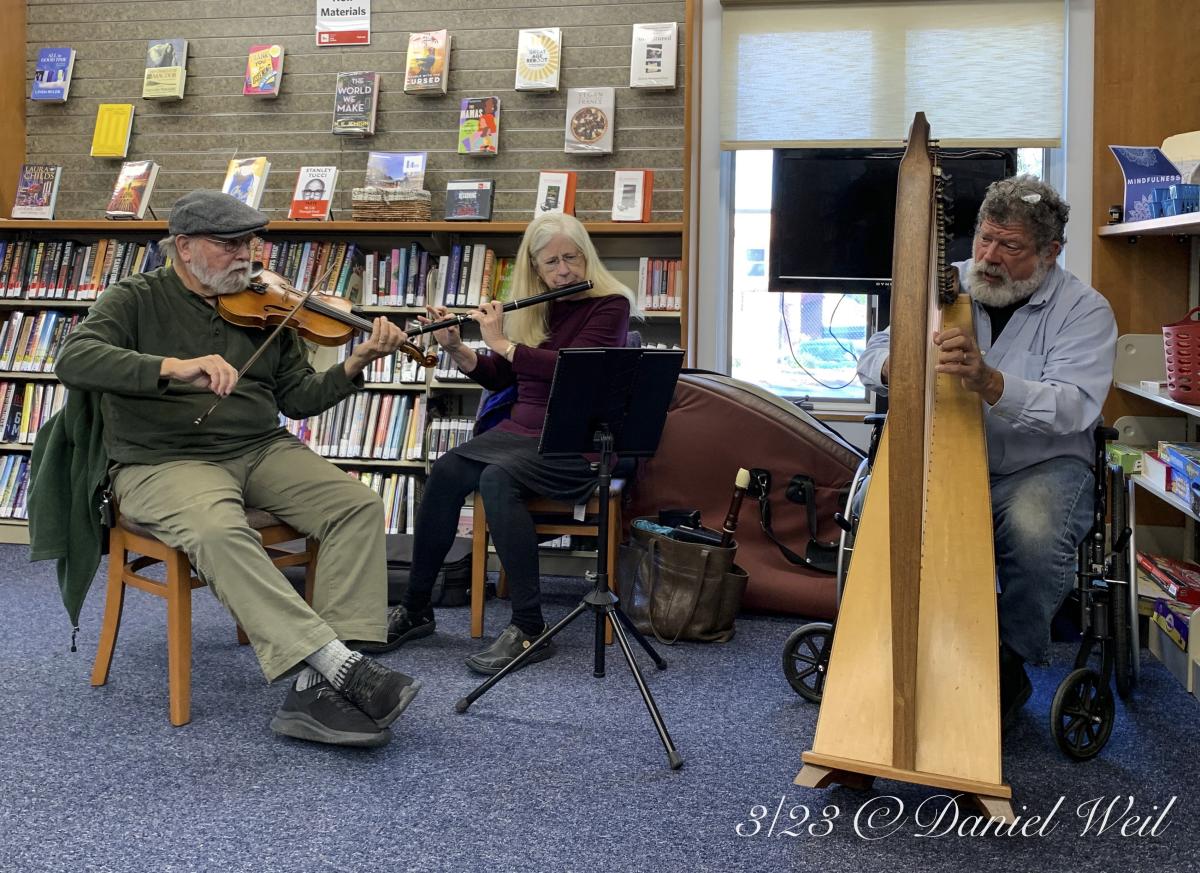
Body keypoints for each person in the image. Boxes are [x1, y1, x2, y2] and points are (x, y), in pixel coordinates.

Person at [53, 190, 420, 749]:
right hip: (163, 459)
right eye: (230, 244)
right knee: (219, 529)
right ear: (184, 247)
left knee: (357, 505)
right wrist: (174, 367)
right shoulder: (135, 298)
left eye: (251, 241)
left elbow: (298, 398)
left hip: (260, 447)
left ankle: (316, 685)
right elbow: (73, 359)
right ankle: (339, 667)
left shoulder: (268, 304)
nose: (247, 254)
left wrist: (356, 362)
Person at [856, 174, 1118, 729]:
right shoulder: (946, 285)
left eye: (1010, 246)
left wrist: (992, 383)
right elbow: (874, 350)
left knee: (1031, 527)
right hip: (949, 457)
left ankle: (1008, 661)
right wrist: (895, 365)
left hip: (1041, 465)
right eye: (983, 238)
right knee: (889, 521)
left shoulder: (1085, 311)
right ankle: (901, 655)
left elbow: (1076, 407)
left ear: (1050, 252)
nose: (988, 256)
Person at [359, 212, 638, 674]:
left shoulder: (610, 305)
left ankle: (529, 627)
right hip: (518, 432)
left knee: (496, 478)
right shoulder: (536, 306)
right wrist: (456, 347)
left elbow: (571, 370)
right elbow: (505, 376)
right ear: (535, 267)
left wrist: (503, 342)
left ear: (587, 256)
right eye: (552, 263)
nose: (564, 271)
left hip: (576, 440)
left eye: (572, 258)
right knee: (448, 469)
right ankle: (415, 608)